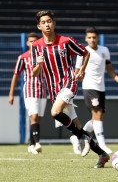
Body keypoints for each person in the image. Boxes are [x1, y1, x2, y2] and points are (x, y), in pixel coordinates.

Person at [32, 10, 109, 168]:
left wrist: (81, 70)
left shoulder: (66, 41)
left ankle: (80, 137)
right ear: (39, 26)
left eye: (49, 21)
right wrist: (38, 64)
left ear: (54, 23)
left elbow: (85, 53)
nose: (47, 24)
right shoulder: (36, 46)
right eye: (44, 22)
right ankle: (102, 154)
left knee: (54, 113)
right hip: (54, 90)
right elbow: (34, 73)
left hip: (68, 82)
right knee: (78, 127)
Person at [70, 26, 118, 155]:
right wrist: (77, 78)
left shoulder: (104, 51)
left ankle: (77, 136)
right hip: (89, 86)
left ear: (98, 38)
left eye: (94, 37)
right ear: (86, 39)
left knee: (97, 117)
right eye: (89, 38)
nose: (92, 40)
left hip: (101, 87)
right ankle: (102, 145)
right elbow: (77, 71)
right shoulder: (83, 52)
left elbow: (110, 69)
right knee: (97, 114)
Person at [9, 32, 46, 154]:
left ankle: (31, 144)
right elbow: (16, 75)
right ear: (27, 43)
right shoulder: (23, 57)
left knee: (37, 119)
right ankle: (37, 143)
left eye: (35, 41)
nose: (33, 44)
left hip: (42, 91)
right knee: (33, 117)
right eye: (31, 41)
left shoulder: (42, 57)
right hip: (30, 90)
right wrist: (11, 93)